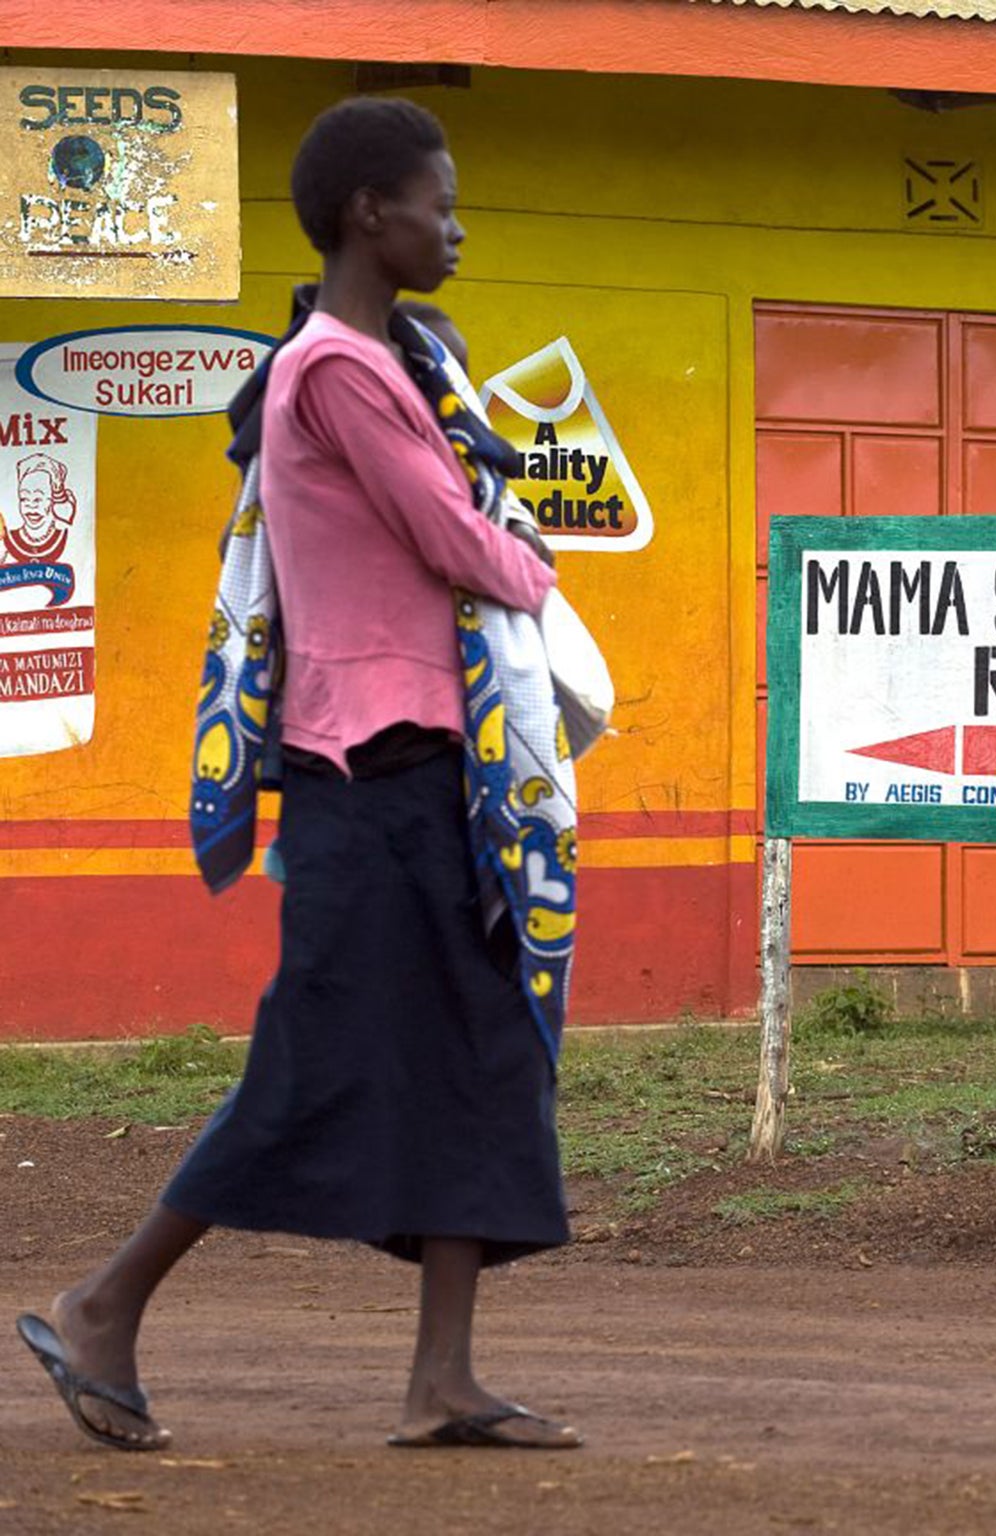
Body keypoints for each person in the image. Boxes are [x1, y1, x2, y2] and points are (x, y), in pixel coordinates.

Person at [16, 97, 580, 1452]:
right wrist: (535, 569)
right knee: (317, 1058)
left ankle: (442, 1380)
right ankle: (104, 1305)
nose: (456, 226)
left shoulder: (387, 361)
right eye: (438, 204)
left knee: (486, 1050)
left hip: (426, 773)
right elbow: (456, 538)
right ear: (365, 216)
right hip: (363, 775)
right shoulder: (333, 370)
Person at [5, 453, 77, 564]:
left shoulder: (66, 537)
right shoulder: (7, 540)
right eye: (24, 498)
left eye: (38, 499)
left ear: (54, 499)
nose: (31, 505)